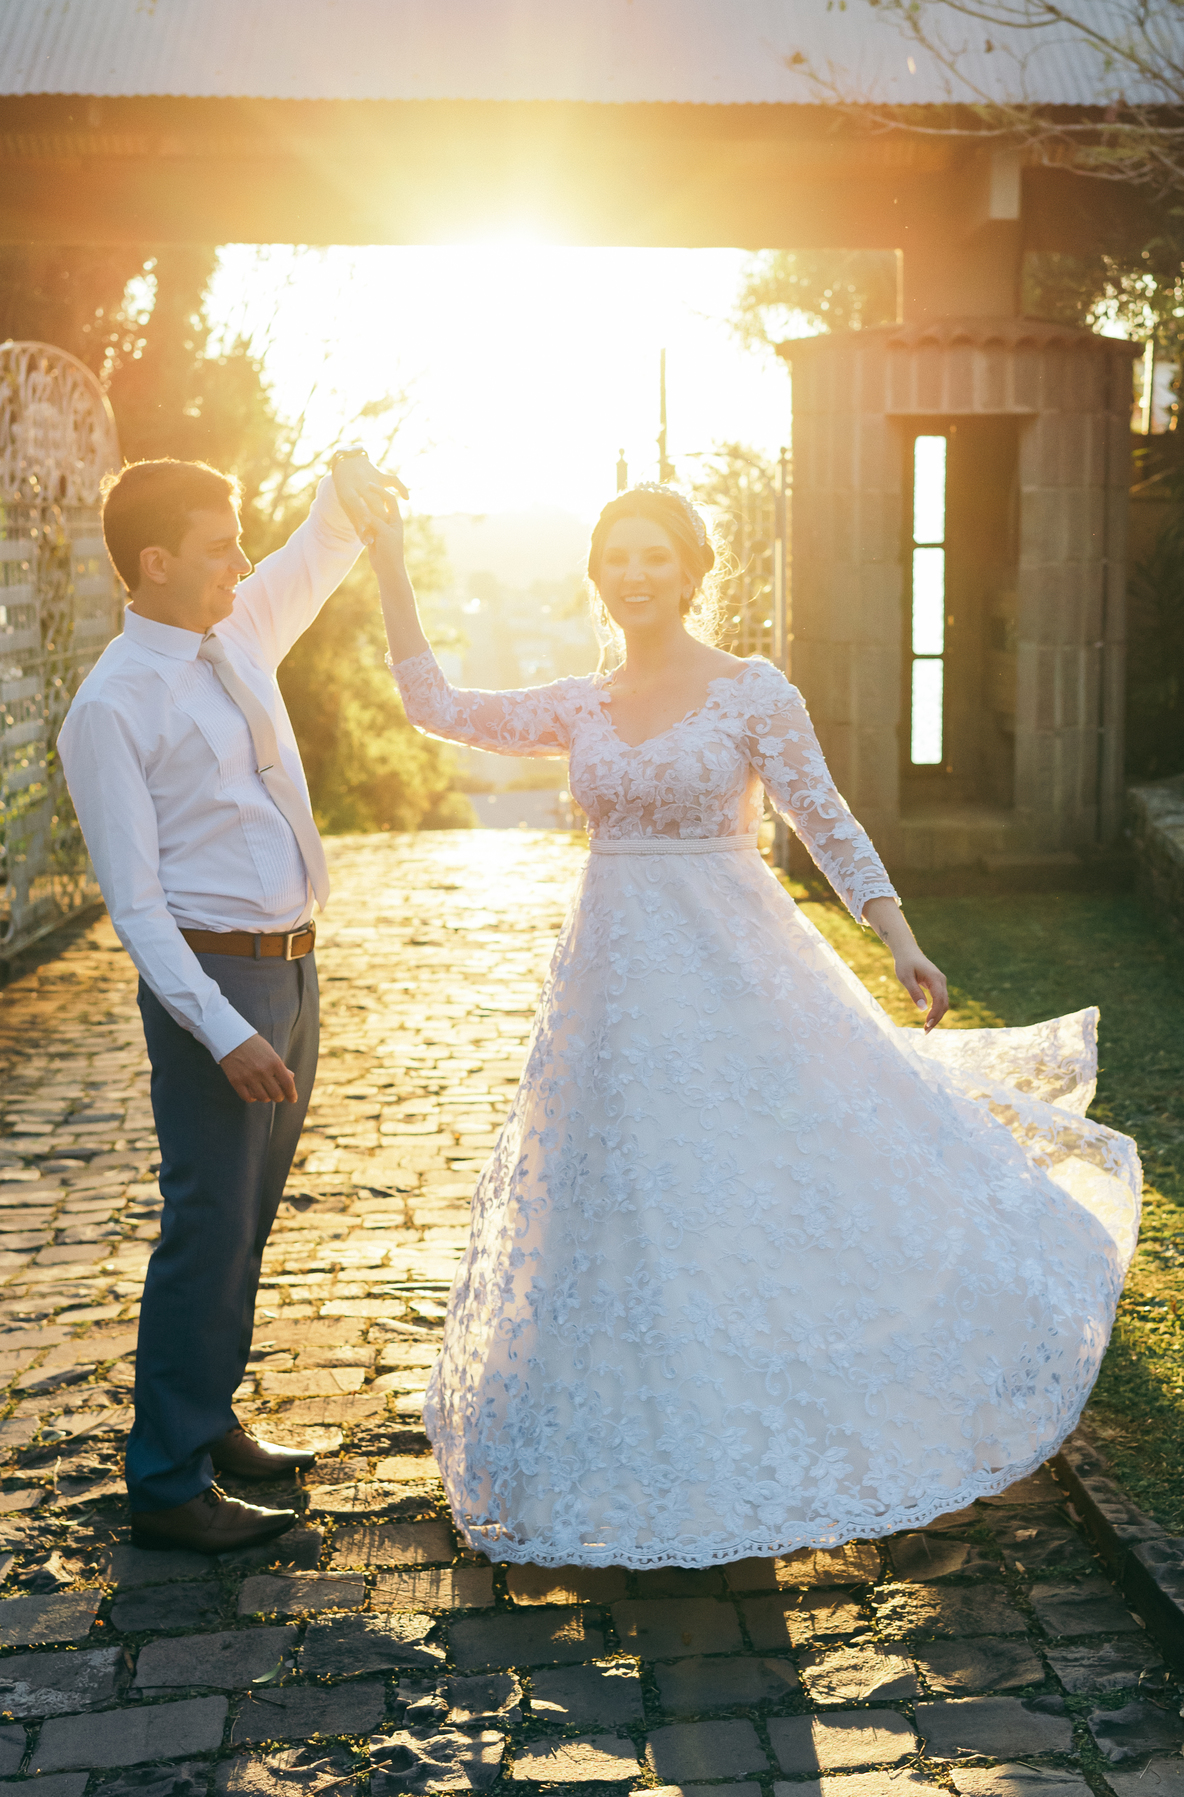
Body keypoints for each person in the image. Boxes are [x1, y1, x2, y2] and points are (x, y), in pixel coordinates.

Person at [368, 478, 1141, 1570]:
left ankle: (798, 1409)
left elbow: (821, 812)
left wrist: (898, 935)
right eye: (616, 557)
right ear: (597, 575)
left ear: (691, 570)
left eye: (653, 555)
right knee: (625, 1196)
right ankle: (647, 1441)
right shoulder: (581, 703)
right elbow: (437, 706)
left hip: (734, 969)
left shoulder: (752, 690)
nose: (634, 574)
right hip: (611, 988)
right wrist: (389, 555)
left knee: (762, 1178)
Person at [59, 449, 398, 1553]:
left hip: (293, 966)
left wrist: (346, 491)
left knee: (245, 1222)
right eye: (219, 547)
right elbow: (135, 903)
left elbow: (311, 555)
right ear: (156, 563)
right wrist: (221, 1027)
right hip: (216, 984)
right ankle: (165, 1482)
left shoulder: (235, 628)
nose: (241, 564)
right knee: (207, 1225)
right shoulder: (111, 706)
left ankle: (207, 1422)